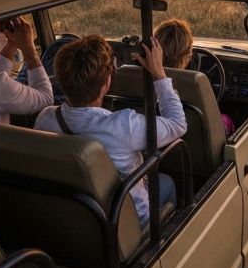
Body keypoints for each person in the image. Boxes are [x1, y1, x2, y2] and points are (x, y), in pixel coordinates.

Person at [34, 35, 186, 228]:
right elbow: (178, 124)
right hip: (127, 222)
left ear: (61, 81)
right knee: (167, 183)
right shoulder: (124, 126)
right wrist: (159, 74)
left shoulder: (46, 118)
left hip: (78, 217)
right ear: (106, 84)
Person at [154, 18, 234, 136]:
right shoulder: (196, 83)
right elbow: (209, 116)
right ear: (188, 55)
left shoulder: (139, 77)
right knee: (226, 120)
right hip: (190, 136)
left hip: (156, 134)